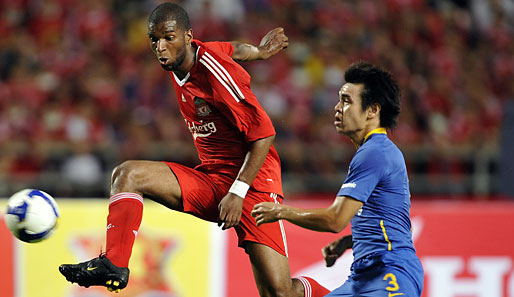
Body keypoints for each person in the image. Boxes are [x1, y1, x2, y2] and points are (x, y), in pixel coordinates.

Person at [59, 2, 330, 297]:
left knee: (279, 293)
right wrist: (259, 52)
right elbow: (232, 48)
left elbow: (264, 134)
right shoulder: (191, 56)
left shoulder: (214, 71)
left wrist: (238, 193)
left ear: (188, 36)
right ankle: (114, 264)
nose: (161, 47)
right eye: (155, 40)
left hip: (252, 188)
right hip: (213, 180)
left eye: (169, 38)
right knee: (127, 174)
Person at [252, 61, 424, 296]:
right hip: (363, 276)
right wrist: (351, 242)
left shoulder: (375, 152)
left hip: (390, 275)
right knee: (284, 293)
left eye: (346, 101)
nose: (337, 107)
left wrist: (280, 211)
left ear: (373, 110)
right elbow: (396, 223)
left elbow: (335, 220)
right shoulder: (378, 151)